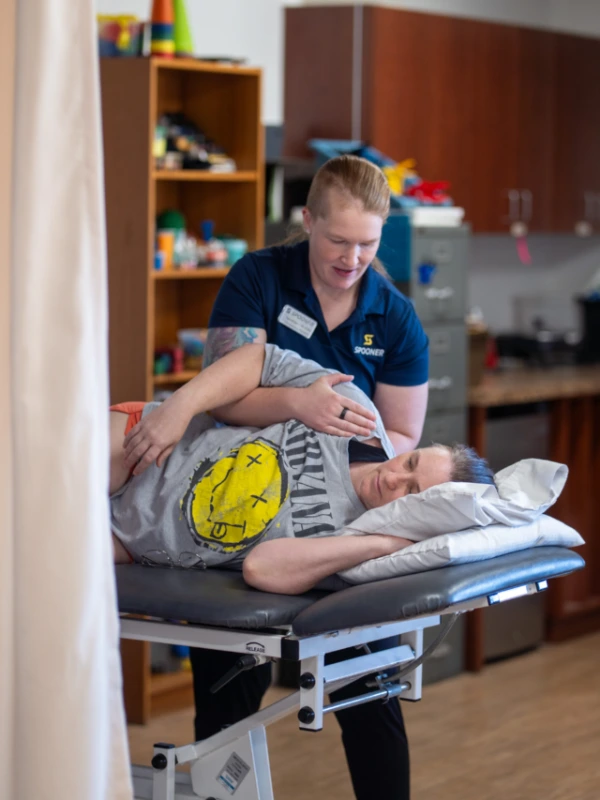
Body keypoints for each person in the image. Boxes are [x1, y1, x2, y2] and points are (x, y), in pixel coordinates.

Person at [125, 154, 431, 800]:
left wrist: (346, 466)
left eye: (368, 245)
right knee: (228, 704)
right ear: (306, 222)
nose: (353, 259)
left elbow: (399, 437)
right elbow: (224, 396)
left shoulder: (395, 319)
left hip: (330, 523)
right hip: (235, 514)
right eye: (338, 241)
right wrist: (300, 406)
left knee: (368, 695)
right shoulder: (258, 279)